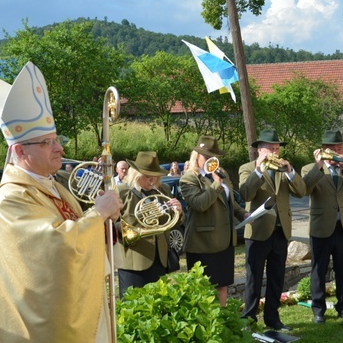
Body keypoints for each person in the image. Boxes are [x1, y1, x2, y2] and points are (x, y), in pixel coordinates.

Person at [0, 61, 125, 343]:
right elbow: (52, 251)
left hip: (70, 324)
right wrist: (97, 215)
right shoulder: (13, 198)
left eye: (55, 138)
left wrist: (102, 224)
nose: (59, 147)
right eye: (47, 142)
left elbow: (75, 238)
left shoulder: (50, 188)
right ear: (19, 150)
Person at [239, 129, 307, 330]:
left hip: (280, 232)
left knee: (277, 278)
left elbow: (301, 191)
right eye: (271, 148)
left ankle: (273, 318)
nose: (275, 152)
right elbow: (246, 193)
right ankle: (248, 319)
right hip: (258, 232)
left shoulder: (283, 170)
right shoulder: (247, 168)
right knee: (254, 278)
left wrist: (290, 171)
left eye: (277, 148)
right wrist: (259, 170)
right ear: (260, 150)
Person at [301, 130, 343, 324]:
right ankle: (318, 310)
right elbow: (304, 189)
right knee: (318, 270)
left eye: (339, 148)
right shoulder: (310, 169)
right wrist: (319, 165)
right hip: (321, 227)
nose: (336, 151)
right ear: (323, 149)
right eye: (331, 149)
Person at [180, 136, 247, 306]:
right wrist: (216, 185)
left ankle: (221, 324)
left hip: (225, 241)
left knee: (222, 287)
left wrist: (243, 214)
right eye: (207, 157)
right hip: (203, 243)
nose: (211, 160)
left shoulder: (221, 174)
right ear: (197, 156)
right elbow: (199, 204)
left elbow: (229, 201)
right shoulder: (189, 178)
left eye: (214, 157)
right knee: (203, 290)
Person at [117, 152, 183, 298]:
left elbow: (173, 223)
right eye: (147, 175)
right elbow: (110, 223)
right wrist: (136, 225)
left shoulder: (164, 190)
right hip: (134, 260)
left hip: (160, 259)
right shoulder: (123, 192)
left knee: (158, 306)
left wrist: (178, 211)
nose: (152, 179)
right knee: (133, 308)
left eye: (155, 175)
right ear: (136, 174)